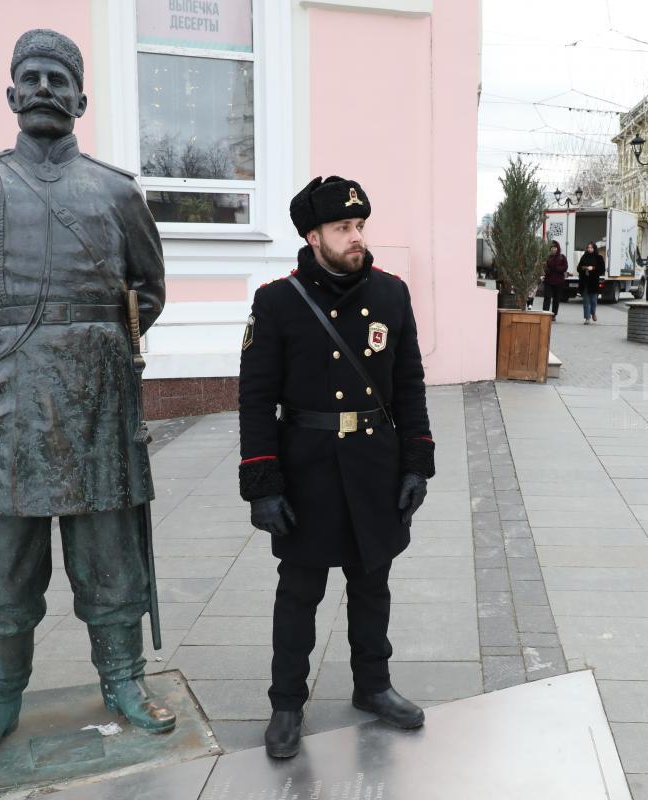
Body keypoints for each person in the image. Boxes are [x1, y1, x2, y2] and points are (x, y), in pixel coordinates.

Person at [0, 30, 173, 772]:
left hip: (96, 405)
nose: (43, 87)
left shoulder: (117, 191)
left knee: (110, 558)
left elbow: (148, 291)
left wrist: (94, 352)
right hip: (3, 404)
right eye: (29, 77)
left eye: (58, 79)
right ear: (10, 94)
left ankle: (124, 680)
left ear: (80, 99)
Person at [239, 176, 435, 759]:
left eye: (360, 226)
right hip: (308, 468)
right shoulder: (278, 301)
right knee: (299, 590)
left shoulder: (392, 294)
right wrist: (263, 483)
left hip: (374, 463)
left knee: (372, 582)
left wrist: (416, 463)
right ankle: (285, 704)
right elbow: (255, 398)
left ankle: (373, 685)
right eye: (343, 228)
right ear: (313, 234)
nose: (356, 238)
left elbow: (409, 383)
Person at [541, 240, 570, 319]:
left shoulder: (562, 257)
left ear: (558, 248)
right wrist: (547, 270)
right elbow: (544, 267)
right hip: (548, 281)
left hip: (559, 282)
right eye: (552, 248)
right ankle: (545, 313)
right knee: (547, 297)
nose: (553, 249)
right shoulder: (547, 257)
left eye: (555, 248)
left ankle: (554, 314)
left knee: (556, 299)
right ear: (550, 249)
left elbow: (565, 267)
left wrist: (557, 268)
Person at [577, 241, 604, 324]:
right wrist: (584, 268)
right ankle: (587, 318)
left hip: (594, 282)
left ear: (594, 248)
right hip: (585, 282)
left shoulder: (599, 257)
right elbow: (578, 268)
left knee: (593, 301)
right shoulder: (584, 257)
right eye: (588, 247)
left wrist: (593, 268)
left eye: (591, 247)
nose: (589, 249)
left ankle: (593, 313)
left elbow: (602, 270)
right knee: (586, 301)